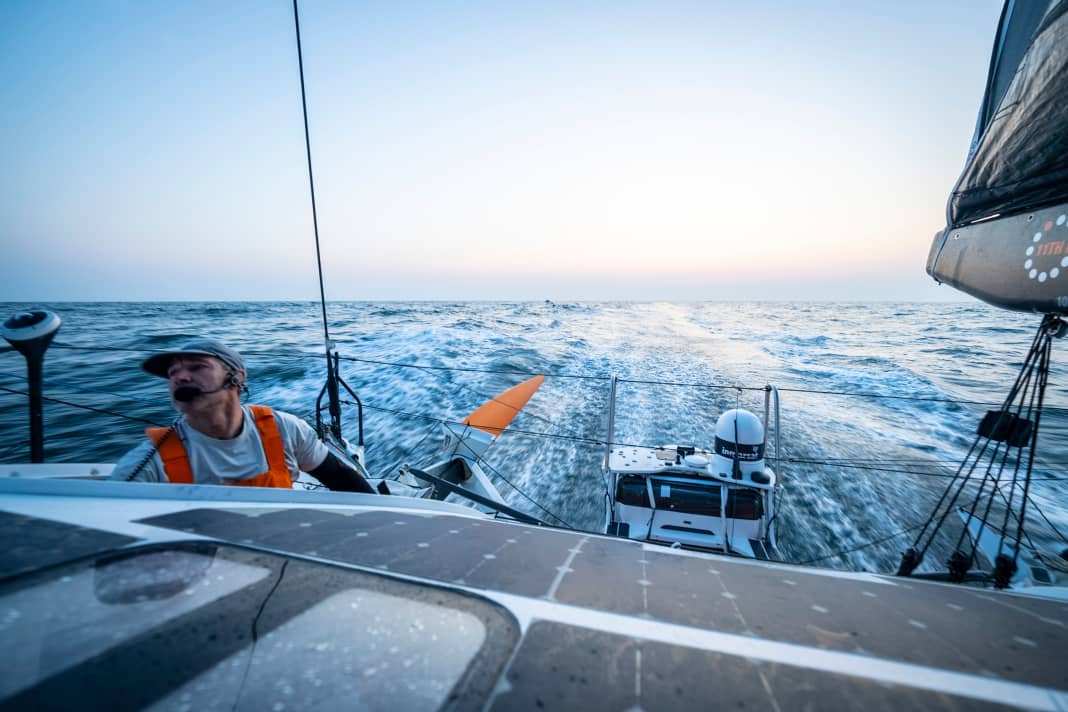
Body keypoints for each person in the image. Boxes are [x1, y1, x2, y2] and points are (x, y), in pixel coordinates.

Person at [110, 339, 375, 493]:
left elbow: (342, 479)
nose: (179, 377)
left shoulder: (284, 429)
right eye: (172, 373)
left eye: (197, 367)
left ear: (237, 377)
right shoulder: (149, 464)